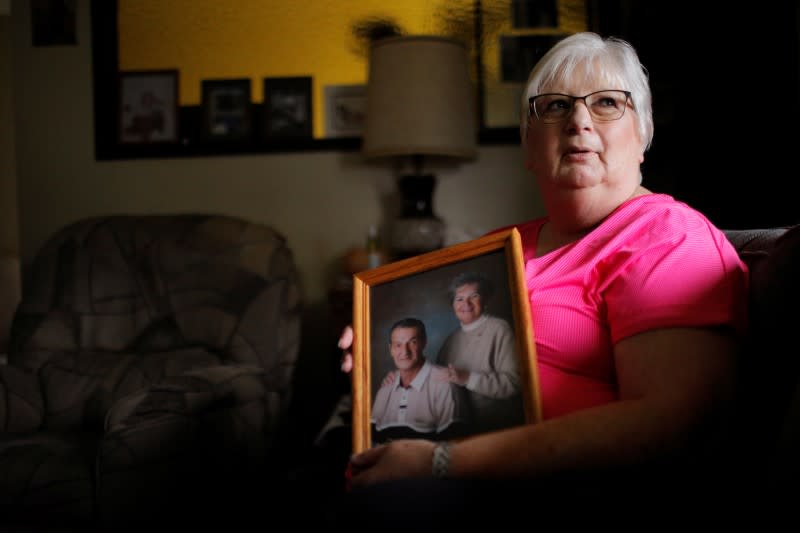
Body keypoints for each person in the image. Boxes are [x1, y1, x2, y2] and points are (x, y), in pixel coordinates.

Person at [334, 31, 749, 526]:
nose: (578, 121)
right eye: (554, 106)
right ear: (529, 147)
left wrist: (440, 463)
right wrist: (379, 347)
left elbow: (671, 424)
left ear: (643, 136)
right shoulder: (497, 248)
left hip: (564, 501)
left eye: (607, 103)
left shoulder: (667, 237)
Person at [435, 272, 523, 433]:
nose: (466, 303)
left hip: (500, 427)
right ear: (453, 305)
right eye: (459, 299)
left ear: (485, 299)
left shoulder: (500, 329)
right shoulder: (450, 342)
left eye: (474, 296)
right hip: (463, 429)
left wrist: (468, 378)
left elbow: (514, 383)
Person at [371, 317, 467, 443]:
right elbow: (372, 438)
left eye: (412, 342)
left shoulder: (444, 383)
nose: (405, 352)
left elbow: (453, 444)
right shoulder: (386, 386)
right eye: (398, 345)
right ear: (391, 349)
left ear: (424, 342)